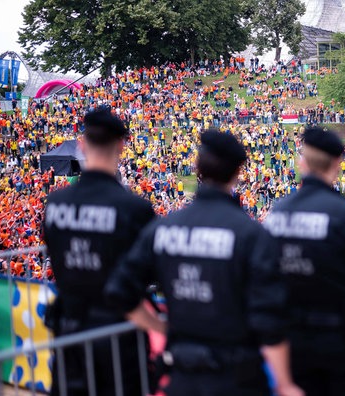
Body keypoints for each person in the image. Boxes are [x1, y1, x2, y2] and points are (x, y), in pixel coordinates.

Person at [105, 129, 304, 396]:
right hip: (236, 375)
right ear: (237, 172)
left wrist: (162, 328)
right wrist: (284, 383)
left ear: (197, 167)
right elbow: (270, 317)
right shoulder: (250, 234)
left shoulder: (164, 229)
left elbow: (119, 290)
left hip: (182, 371)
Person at [42, 107, 157, 396]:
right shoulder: (134, 209)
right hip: (119, 336)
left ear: (82, 145)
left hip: (70, 332)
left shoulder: (56, 205)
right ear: (121, 145)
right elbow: (148, 275)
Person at [263, 127, 345, 396]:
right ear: (338, 164)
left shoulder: (277, 214)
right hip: (343, 344)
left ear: (302, 163)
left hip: (291, 342)